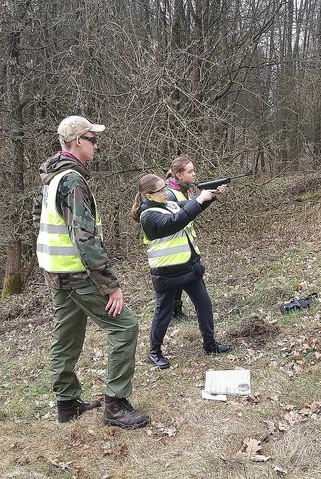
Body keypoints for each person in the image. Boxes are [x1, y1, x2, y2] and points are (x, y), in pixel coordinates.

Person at [34, 115, 150, 429]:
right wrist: (110, 284)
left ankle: (67, 405)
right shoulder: (71, 180)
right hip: (77, 273)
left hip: (57, 273)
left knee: (66, 337)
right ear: (77, 142)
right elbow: (83, 237)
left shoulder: (53, 177)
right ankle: (116, 405)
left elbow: (39, 220)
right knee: (125, 328)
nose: (97, 144)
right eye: (92, 139)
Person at [130, 173, 231, 369]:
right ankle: (154, 352)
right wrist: (199, 199)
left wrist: (210, 195)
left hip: (187, 265)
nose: (166, 192)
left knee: (204, 305)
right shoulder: (148, 215)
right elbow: (176, 222)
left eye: (165, 188)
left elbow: (190, 210)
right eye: (160, 190)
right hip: (166, 272)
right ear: (149, 195)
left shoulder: (170, 204)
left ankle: (210, 345)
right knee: (164, 313)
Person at [164, 158, 198, 321]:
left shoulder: (186, 190)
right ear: (178, 175)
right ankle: (170, 315)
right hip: (172, 246)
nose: (194, 174)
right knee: (173, 284)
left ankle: (175, 312)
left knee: (180, 281)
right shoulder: (169, 194)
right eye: (190, 171)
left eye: (193, 170)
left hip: (185, 243)